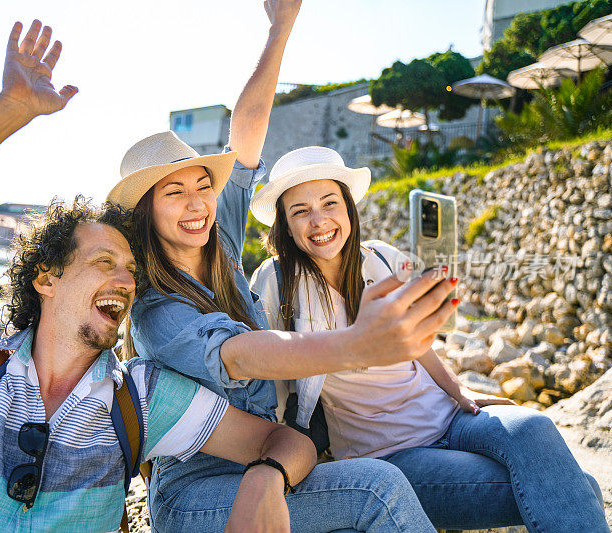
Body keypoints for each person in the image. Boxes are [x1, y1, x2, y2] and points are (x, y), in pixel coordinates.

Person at [0, 20, 319, 533]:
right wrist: (11, 110)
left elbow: (282, 440)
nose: (125, 280)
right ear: (44, 278)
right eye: (102, 263)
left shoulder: (140, 400)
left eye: (130, 269)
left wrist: (267, 477)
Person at [108, 2, 457, 531]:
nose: (197, 202)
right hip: (196, 491)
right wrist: (356, 345)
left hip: (270, 455)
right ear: (144, 214)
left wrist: (280, 28)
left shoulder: (217, 238)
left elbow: (245, 133)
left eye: (204, 186)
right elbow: (243, 355)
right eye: (174, 193)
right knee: (378, 488)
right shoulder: (156, 310)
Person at [247, 145, 610, 533]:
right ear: (284, 225)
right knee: (573, 486)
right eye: (300, 211)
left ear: (349, 208)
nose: (318, 221)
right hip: (392, 453)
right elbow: (259, 366)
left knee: (534, 428)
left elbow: (417, 339)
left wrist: (459, 390)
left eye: (329, 203)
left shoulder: (382, 257)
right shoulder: (275, 282)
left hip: (450, 417)